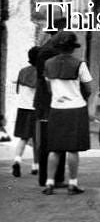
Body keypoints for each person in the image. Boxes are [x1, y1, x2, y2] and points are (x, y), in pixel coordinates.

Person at [42, 32, 91, 195]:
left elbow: (49, 89)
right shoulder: (80, 64)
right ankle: (73, 183)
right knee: (72, 149)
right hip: (76, 108)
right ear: (72, 48)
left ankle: (49, 183)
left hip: (56, 108)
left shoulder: (48, 64)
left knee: (55, 148)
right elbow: (88, 89)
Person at [34, 23, 67, 188]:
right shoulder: (49, 52)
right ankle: (50, 177)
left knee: (54, 139)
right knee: (50, 140)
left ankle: (54, 176)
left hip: (50, 100)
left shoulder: (48, 49)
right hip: (49, 101)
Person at [12, 47, 40, 177]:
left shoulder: (22, 71)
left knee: (23, 138)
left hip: (22, 108)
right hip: (35, 109)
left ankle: (17, 160)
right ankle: (35, 166)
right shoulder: (40, 73)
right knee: (36, 140)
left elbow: (18, 90)